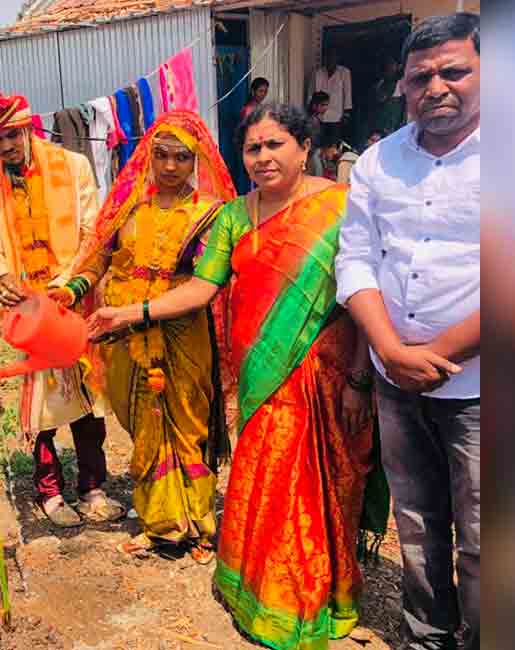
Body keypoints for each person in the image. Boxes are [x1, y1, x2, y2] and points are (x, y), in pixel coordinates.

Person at [89, 104, 383, 649]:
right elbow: (202, 289)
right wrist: (130, 314)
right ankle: (262, 593)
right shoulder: (232, 217)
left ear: (303, 147)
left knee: (312, 487)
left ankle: (312, 596)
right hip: (259, 375)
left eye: (275, 145)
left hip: (323, 373)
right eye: (253, 148)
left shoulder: (341, 207)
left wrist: (361, 378)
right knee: (268, 482)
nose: (264, 158)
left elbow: (365, 292)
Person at [335, 13, 480, 650]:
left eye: (455, 71)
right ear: (403, 85)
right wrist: (391, 351)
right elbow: (356, 259)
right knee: (417, 522)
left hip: (485, 385)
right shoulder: (377, 162)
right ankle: (429, 637)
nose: (436, 87)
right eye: (421, 76)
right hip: (398, 381)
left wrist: (437, 353)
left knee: (486, 535)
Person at [57, 110, 236, 562]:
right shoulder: (128, 206)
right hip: (122, 336)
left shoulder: (210, 214)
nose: (171, 166)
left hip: (180, 335)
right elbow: (98, 259)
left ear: (196, 161)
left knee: (187, 425)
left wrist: (147, 308)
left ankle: (196, 525)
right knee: (140, 424)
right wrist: (73, 289)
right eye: (162, 155)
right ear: (148, 157)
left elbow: (206, 282)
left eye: (182, 157)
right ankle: (161, 524)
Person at [0, 92, 124, 528]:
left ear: (27, 129)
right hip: (29, 313)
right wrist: (1, 279)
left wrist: (68, 286)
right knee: (42, 410)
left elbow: (92, 234)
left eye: (11, 136)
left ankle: (93, 487)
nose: (5, 148)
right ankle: (50, 493)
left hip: (74, 301)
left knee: (88, 401)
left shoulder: (73, 166)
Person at [312, 47, 353, 143]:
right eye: (328, 58)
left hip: (337, 116)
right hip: (321, 116)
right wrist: (314, 114)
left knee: (333, 144)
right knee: (320, 143)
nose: (330, 60)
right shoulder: (319, 73)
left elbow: (347, 93)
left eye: (333, 57)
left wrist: (346, 113)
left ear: (337, 59)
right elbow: (315, 94)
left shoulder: (344, 72)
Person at [306, 91, 330, 177]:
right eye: (323, 105)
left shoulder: (316, 118)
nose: (325, 108)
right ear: (315, 105)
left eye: (327, 105)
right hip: (312, 154)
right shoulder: (311, 120)